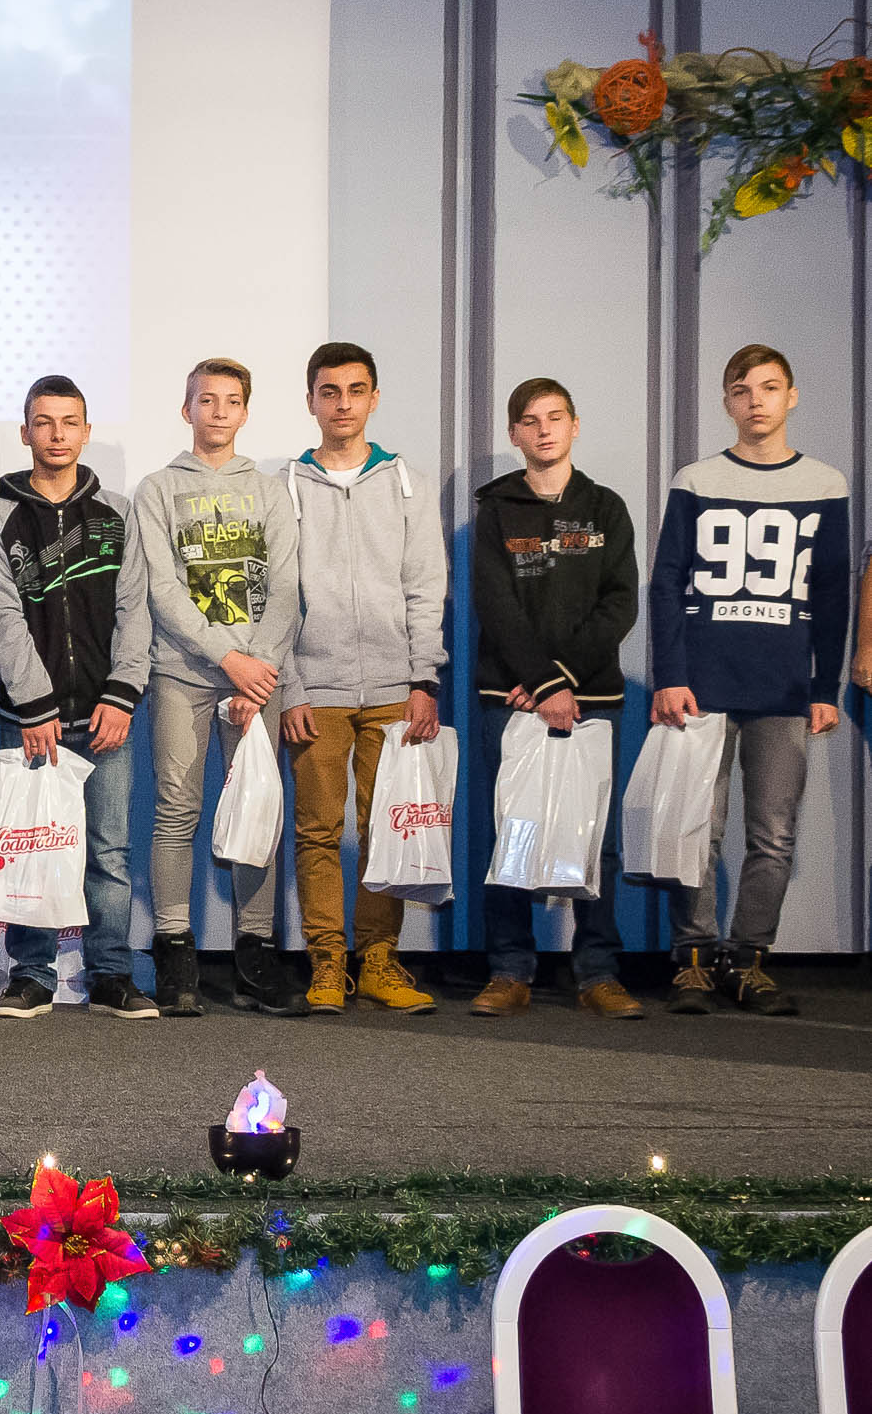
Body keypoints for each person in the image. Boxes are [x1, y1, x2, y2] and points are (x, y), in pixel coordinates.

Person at [649, 342, 849, 1017]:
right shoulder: (697, 478)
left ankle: (749, 959)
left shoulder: (824, 483)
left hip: (784, 687)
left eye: (768, 387)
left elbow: (832, 591)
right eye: (742, 389)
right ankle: (694, 959)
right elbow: (667, 581)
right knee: (696, 829)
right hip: (701, 687)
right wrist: (670, 674)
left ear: (791, 396)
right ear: (727, 402)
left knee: (773, 835)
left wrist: (825, 688)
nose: (756, 400)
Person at [0, 376, 157, 1020]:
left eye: (69, 422)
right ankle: (30, 975)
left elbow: (134, 609)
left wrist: (123, 694)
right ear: (26, 432)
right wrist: (35, 705)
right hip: (31, 720)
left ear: (86, 431)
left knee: (108, 852)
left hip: (106, 715)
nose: (56, 434)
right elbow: (1, 616)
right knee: (32, 846)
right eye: (44, 422)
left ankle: (111, 975)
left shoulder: (118, 514)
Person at [277, 342, 448, 1016]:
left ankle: (378, 958)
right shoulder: (285, 486)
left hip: (392, 690)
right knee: (317, 831)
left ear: (374, 398)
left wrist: (423, 679)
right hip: (315, 690)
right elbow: (277, 596)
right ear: (311, 401)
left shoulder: (406, 482)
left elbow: (425, 588)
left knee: (386, 829)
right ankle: (326, 959)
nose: (342, 404)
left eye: (355, 390)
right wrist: (291, 685)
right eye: (329, 391)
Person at [134, 360, 304, 1017]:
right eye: (207, 400)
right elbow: (162, 590)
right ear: (187, 411)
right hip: (183, 672)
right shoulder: (158, 489)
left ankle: (254, 954)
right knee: (177, 808)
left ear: (245, 412)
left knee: (258, 806)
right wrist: (228, 659)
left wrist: (256, 669)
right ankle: (175, 947)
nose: (219, 411)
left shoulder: (269, 491)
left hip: (258, 679)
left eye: (232, 401)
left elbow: (286, 588)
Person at [469, 379, 642, 1020]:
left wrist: (563, 678)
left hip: (593, 698)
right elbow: (495, 603)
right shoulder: (496, 510)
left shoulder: (606, 508)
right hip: (511, 699)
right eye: (530, 421)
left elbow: (619, 604)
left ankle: (598, 972)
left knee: (598, 837)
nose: (543, 430)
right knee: (511, 832)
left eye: (555, 417)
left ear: (574, 425)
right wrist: (543, 685)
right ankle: (509, 970)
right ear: (514, 433)